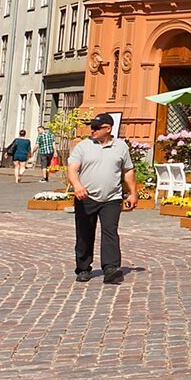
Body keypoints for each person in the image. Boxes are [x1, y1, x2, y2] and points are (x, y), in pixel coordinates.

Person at [67, 114, 138, 284]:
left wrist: (133, 192)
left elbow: (127, 171)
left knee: (110, 232)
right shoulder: (83, 146)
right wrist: (77, 186)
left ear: (108, 129)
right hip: (85, 198)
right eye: (91, 127)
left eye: (96, 128)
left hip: (112, 198)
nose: (92, 130)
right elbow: (72, 169)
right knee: (84, 234)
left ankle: (110, 268)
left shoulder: (121, 147)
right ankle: (83, 268)